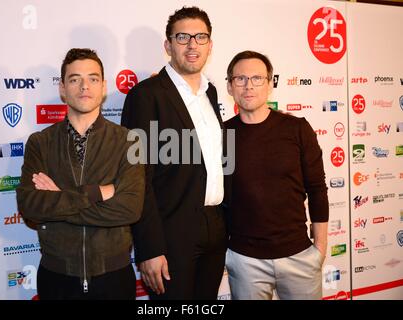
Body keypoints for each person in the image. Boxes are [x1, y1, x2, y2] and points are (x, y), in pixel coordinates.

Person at [16, 48, 145, 300]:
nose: (84, 86)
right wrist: (97, 193)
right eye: (75, 79)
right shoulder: (40, 143)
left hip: (114, 277)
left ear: (104, 87)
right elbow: (30, 205)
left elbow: (129, 208)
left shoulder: (129, 141)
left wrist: (59, 200)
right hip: (56, 277)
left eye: (93, 79)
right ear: (62, 88)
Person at [121, 6, 227, 300]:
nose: (192, 45)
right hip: (172, 233)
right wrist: (150, 247)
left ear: (209, 45)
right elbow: (136, 177)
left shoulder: (212, 93)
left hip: (216, 228)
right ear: (168, 45)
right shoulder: (145, 96)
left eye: (200, 37)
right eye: (183, 37)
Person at [224, 50, 329, 300]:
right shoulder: (221, 135)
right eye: (240, 79)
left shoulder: (297, 129)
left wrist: (320, 249)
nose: (249, 86)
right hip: (244, 260)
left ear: (270, 84)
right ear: (229, 86)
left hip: (299, 257)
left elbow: (317, 189)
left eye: (257, 78)